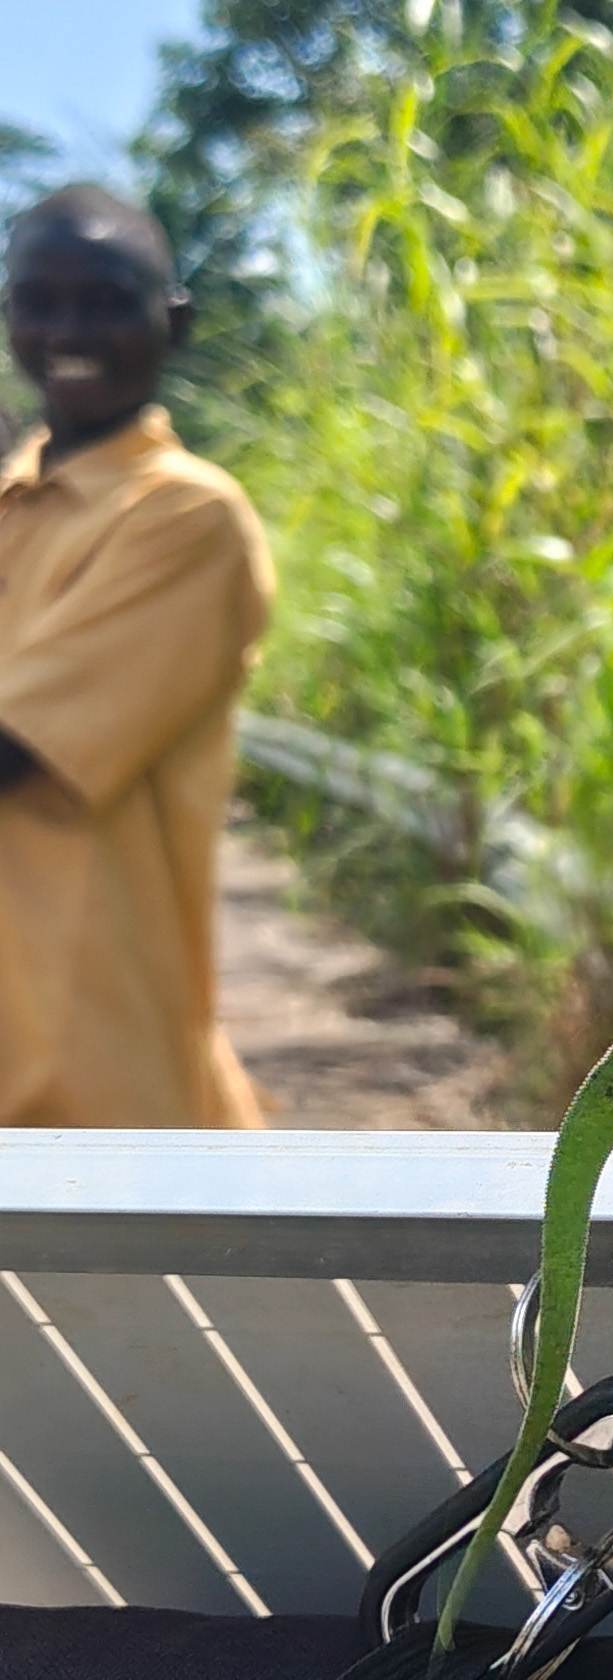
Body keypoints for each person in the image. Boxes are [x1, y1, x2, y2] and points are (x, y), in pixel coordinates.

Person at [0, 185, 274, 1128]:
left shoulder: (188, 516)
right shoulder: (10, 499)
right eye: (39, 299)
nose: (68, 329)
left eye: (106, 300)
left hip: (94, 1090)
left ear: (175, 320)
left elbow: (16, 748)